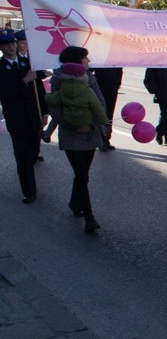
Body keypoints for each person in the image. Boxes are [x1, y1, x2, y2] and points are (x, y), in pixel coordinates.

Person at [45, 52, 108, 233]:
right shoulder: (57, 80)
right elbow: (55, 110)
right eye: (85, 58)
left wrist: (94, 125)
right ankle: (89, 217)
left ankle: (74, 202)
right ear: (76, 61)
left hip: (90, 134)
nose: (88, 61)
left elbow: (99, 104)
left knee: (83, 175)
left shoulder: (89, 78)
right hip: (71, 135)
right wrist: (73, 126)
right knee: (81, 175)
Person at [0, 29, 44, 203]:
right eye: (5, 44)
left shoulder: (29, 63)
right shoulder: (1, 68)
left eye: (12, 43)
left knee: (33, 151)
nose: (10, 47)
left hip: (34, 117)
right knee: (22, 156)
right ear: (1, 48)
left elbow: (39, 91)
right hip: (16, 119)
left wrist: (45, 112)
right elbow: (5, 93)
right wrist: (24, 81)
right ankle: (29, 191)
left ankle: (31, 169)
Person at [93, 66, 122, 150]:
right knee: (101, 113)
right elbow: (91, 68)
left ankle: (106, 139)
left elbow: (119, 70)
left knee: (109, 114)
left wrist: (118, 83)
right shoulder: (101, 57)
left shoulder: (115, 58)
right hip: (100, 87)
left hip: (112, 87)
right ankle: (100, 140)